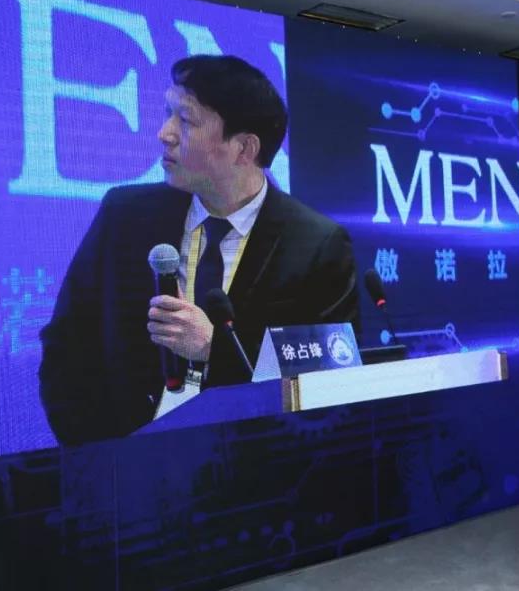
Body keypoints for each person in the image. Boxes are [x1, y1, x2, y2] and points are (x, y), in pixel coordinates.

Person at [39, 55, 359, 445]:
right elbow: (65, 346)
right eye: (167, 114)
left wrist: (214, 349)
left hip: (257, 463)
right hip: (129, 463)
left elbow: (328, 384)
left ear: (244, 148)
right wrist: (101, 457)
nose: (165, 133)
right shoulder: (125, 216)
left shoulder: (317, 245)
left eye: (186, 121)